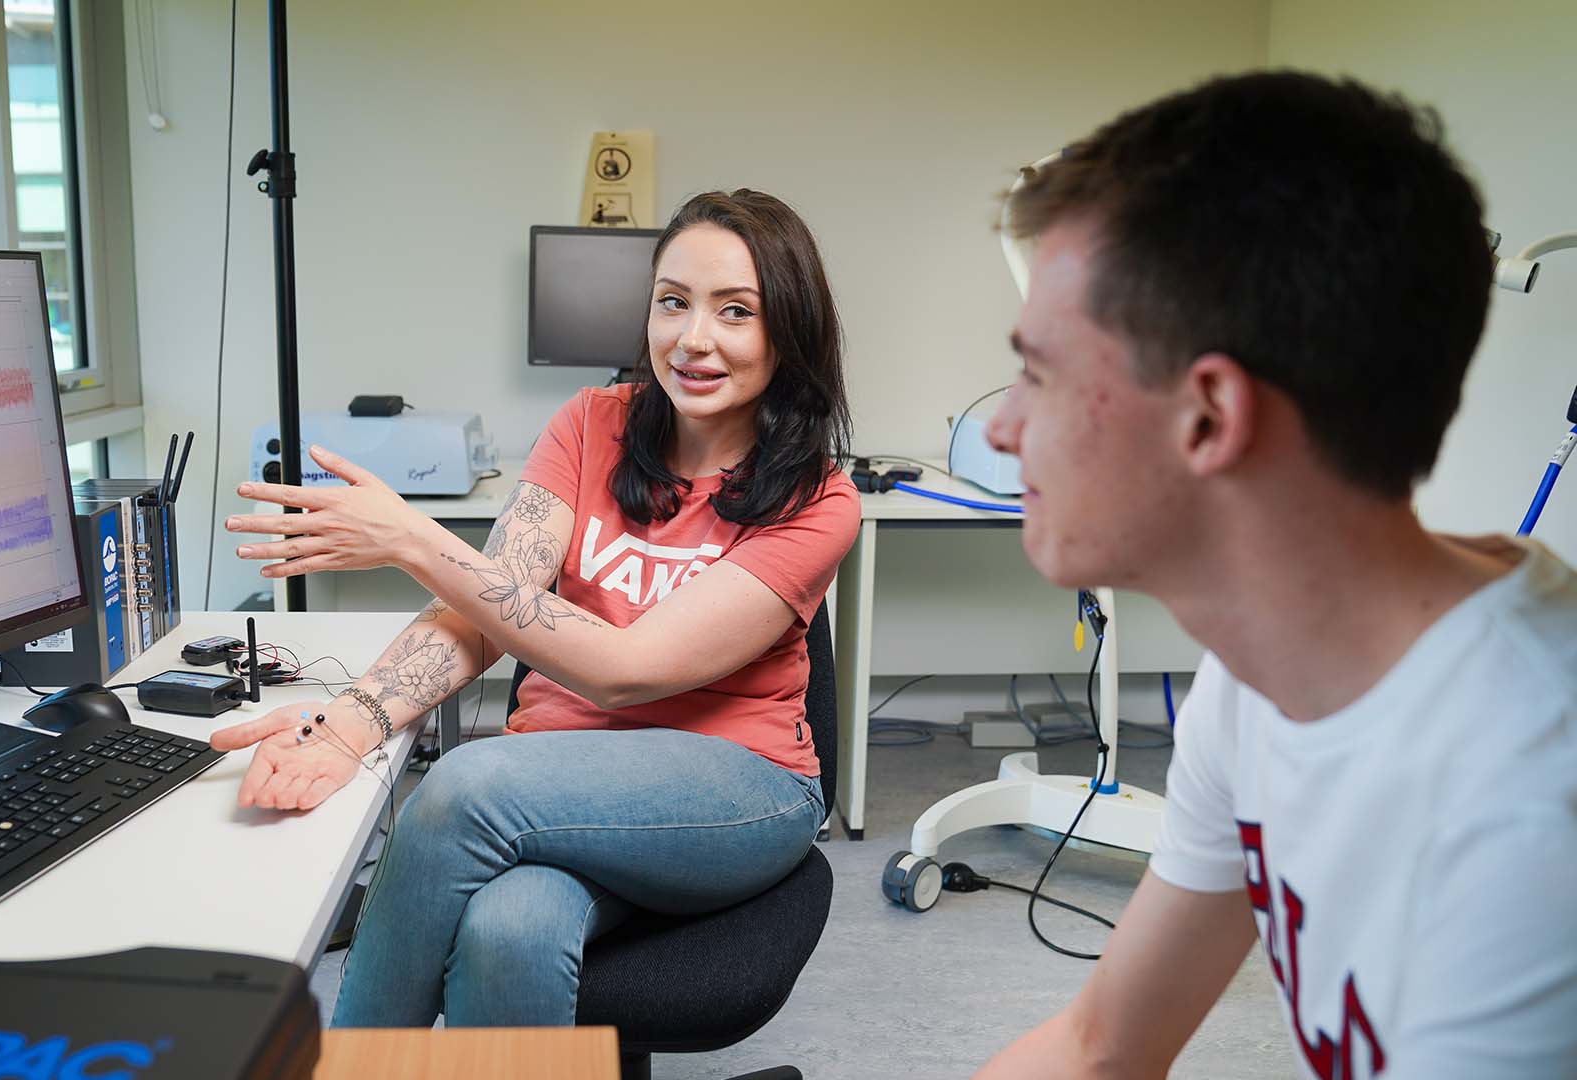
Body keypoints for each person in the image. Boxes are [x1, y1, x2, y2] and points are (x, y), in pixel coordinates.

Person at [973, 71, 1577, 1078]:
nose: (1000, 426)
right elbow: (1099, 1047)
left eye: (1039, 373)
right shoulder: (1255, 679)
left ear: (1209, 417)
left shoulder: (1531, 808)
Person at [216, 189, 860, 1027]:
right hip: (561, 777)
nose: (693, 339)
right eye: (673, 302)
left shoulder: (819, 500)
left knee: (459, 789)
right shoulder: (592, 423)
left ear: (789, 333)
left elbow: (629, 673)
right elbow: (493, 605)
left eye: (736, 312)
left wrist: (415, 539)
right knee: (509, 929)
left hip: (741, 787)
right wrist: (351, 721)